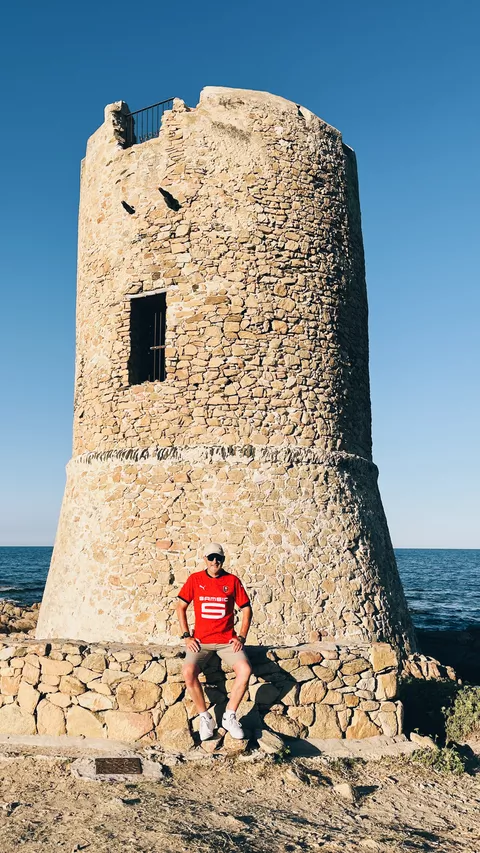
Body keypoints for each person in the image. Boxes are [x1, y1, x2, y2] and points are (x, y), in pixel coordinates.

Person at [176, 542, 253, 742]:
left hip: (227, 642)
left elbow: (246, 609)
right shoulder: (195, 580)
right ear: (205, 559)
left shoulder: (232, 581)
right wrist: (187, 636)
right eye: (211, 558)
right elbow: (180, 607)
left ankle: (229, 716)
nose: (215, 561)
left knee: (245, 670)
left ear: (223, 560)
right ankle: (205, 717)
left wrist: (242, 637)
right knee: (188, 672)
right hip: (201, 642)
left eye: (218, 558)